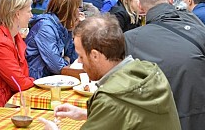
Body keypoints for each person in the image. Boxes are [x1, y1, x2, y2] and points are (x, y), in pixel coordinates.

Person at [124, 0, 205, 130]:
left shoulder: (130, 40)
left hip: (158, 122)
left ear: (140, 7)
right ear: (170, 0)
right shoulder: (195, 22)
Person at [39, 15, 181, 130]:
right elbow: (133, 117)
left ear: (95, 55)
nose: (80, 62)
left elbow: (117, 108)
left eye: (81, 56)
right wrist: (85, 114)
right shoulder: (149, 72)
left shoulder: (111, 98)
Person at [25, 0, 80, 79]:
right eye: (77, 8)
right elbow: (57, 67)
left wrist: (74, 31)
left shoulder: (64, 26)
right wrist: (66, 61)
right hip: (37, 78)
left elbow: (74, 58)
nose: (79, 13)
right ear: (67, 11)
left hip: (51, 78)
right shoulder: (45, 27)